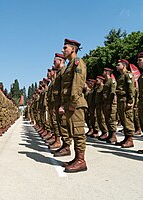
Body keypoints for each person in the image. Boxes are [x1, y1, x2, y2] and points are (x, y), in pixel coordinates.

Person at [60, 39, 88, 173]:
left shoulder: (78, 62)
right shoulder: (70, 64)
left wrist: (73, 102)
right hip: (70, 103)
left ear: (73, 49)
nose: (63, 50)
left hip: (75, 103)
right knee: (73, 131)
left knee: (78, 132)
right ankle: (77, 158)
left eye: (65, 48)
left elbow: (78, 84)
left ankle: (81, 161)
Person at [115, 59, 135, 147]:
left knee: (127, 119)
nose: (116, 66)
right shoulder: (120, 76)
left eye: (118, 64)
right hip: (120, 100)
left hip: (126, 100)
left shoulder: (128, 75)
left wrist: (130, 101)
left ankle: (130, 140)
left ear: (124, 66)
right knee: (123, 119)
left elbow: (131, 89)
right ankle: (126, 138)